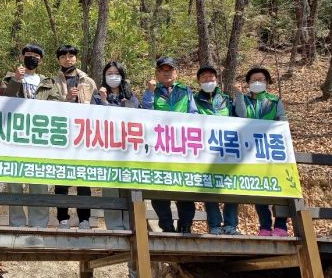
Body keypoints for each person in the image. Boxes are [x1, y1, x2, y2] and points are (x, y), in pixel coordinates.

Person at [0, 44, 62, 227]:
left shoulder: (48, 82)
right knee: (14, 182)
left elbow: (58, 105)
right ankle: (17, 222)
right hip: (14, 135)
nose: (32, 58)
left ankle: (39, 223)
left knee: (39, 180)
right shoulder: (9, 77)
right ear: (22, 57)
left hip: (39, 138)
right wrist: (16, 80)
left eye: (36, 55)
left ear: (41, 60)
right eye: (28, 54)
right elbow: (3, 99)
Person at [141, 57, 199, 233]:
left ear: (176, 73)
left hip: (184, 148)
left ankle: (186, 225)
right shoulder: (151, 91)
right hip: (159, 148)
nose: (166, 73)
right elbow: (145, 114)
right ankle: (166, 225)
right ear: (157, 74)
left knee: (186, 188)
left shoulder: (185, 91)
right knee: (160, 188)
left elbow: (194, 113)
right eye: (162, 70)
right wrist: (150, 92)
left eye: (170, 70)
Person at [234, 67, 288, 237]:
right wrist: (239, 95)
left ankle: (281, 226)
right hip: (250, 151)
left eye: (262, 79)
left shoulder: (274, 101)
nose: (258, 82)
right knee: (259, 189)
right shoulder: (243, 99)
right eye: (253, 80)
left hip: (272, 149)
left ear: (267, 82)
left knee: (279, 188)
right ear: (248, 83)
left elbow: (282, 122)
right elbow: (241, 116)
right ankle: (264, 226)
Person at [53, 45, 97, 229]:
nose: (67, 59)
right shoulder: (53, 80)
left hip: (83, 136)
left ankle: (84, 219)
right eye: (63, 56)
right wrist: (67, 100)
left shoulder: (88, 81)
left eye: (71, 56)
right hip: (61, 134)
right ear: (59, 60)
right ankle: (63, 218)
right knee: (61, 179)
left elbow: (95, 106)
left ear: (76, 59)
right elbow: (48, 105)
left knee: (83, 178)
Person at [91, 61, 138, 230]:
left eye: (116, 73)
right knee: (110, 188)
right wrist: (103, 101)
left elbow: (135, 118)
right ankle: (114, 226)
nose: (113, 77)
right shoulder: (96, 97)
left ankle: (131, 224)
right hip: (107, 149)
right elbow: (95, 119)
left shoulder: (131, 96)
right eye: (109, 73)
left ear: (122, 75)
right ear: (104, 76)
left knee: (129, 188)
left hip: (128, 150)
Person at [193, 65, 239, 235]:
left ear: (216, 79)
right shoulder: (194, 99)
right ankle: (214, 225)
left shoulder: (226, 99)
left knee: (231, 186)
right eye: (204, 77)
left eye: (211, 77)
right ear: (199, 81)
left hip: (228, 148)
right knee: (209, 186)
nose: (208, 80)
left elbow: (237, 120)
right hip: (205, 149)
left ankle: (231, 224)